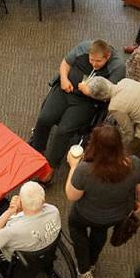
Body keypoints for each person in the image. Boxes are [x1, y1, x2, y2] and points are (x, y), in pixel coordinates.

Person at [29, 39, 126, 179]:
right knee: (45, 118)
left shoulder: (117, 67)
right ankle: (36, 149)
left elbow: (111, 95)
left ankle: (50, 166)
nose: (94, 64)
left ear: (108, 56)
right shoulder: (83, 48)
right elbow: (65, 63)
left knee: (63, 131)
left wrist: (90, 93)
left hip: (87, 102)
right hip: (66, 89)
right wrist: (63, 79)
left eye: (98, 61)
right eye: (91, 60)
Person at [65, 125, 140, 278]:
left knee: (77, 230)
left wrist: (73, 166)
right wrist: (138, 202)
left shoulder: (85, 170)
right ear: (119, 144)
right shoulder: (135, 164)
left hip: (85, 214)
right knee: (100, 232)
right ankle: (91, 263)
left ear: (94, 144)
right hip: (115, 216)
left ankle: (83, 270)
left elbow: (71, 195)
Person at [85, 77, 140, 168]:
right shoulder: (125, 81)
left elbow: (129, 133)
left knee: (128, 155)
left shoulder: (115, 106)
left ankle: (136, 177)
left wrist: (120, 146)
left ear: (100, 98)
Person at [0, 181, 62, 261]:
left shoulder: (11, 231)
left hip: (14, 255)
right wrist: (21, 209)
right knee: (1, 204)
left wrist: (10, 211)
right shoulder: (54, 211)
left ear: (21, 202)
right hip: (41, 251)